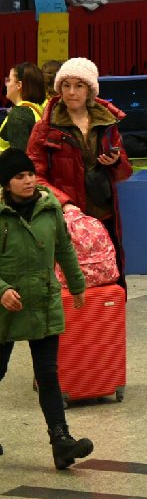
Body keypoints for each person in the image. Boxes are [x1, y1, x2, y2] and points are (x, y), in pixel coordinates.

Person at [0, 148, 95, 469]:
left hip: (42, 299)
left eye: (30, 174)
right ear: (6, 183)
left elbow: (64, 247)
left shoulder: (49, 206)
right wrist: (2, 290)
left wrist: (77, 284)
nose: (28, 180)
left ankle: (61, 441)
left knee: (48, 374)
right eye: (19, 176)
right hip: (5, 305)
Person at [27, 58, 133, 259]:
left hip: (104, 215)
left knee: (106, 269)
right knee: (70, 274)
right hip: (64, 217)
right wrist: (64, 203)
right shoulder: (45, 128)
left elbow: (125, 173)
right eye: (66, 85)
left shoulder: (107, 123)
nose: (71, 92)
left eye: (79, 86)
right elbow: (34, 175)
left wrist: (116, 162)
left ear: (90, 90)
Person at [1, 62, 45, 153]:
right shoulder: (36, 108)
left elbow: (19, 158)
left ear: (19, 85)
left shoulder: (18, 114)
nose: (6, 84)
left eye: (9, 80)